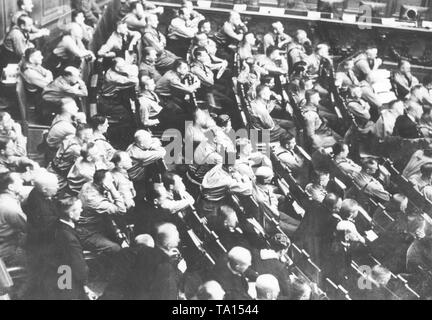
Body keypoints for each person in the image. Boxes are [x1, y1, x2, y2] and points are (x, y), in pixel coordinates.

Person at [41, 197, 96, 300]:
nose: (81, 210)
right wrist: (84, 286)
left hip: (56, 273)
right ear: (71, 214)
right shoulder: (70, 239)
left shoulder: (56, 225)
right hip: (68, 278)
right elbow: (78, 265)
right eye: (79, 208)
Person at [77, 170, 127, 254]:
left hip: (95, 224)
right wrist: (112, 189)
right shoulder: (95, 201)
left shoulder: (88, 184)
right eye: (110, 181)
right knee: (116, 248)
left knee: (120, 235)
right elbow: (122, 210)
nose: (113, 181)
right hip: (88, 233)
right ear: (102, 183)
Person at [132, 223, 185, 300]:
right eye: (177, 239)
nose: (179, 240)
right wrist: (180, 271)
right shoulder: (166, 266)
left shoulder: (146, 253)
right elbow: (167, 292)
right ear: (169, 244)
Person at [48, 124, 94, 192]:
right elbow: (90, 159)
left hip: (51, 168)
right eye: (90, 135)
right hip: (58, 178)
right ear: (83, 136)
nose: (92, 137)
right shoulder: (76, 149)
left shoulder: (70, 137)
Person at [0, 172, 27, 267]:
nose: (22, 180)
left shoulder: (3, 199)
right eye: (19, 181)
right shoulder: (10, 207)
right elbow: (29, 227)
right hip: (7, 250)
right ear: (11, 187)